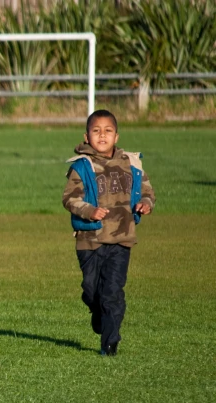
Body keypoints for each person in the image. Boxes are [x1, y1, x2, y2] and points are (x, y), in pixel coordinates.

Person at [62, 109, 156, 356]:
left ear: (116, 136)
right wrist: (90, 211)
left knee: (112, 292)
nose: (102, 135)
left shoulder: (131, 164)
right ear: (86, 136)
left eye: (108, 131)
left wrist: (146, 204)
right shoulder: (82, 167)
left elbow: (147, 191)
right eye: (96, 131)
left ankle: (110, 343)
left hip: (121, 239)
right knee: (92, 290)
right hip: (89, 241)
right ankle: (98, 313)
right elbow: (70, 199)